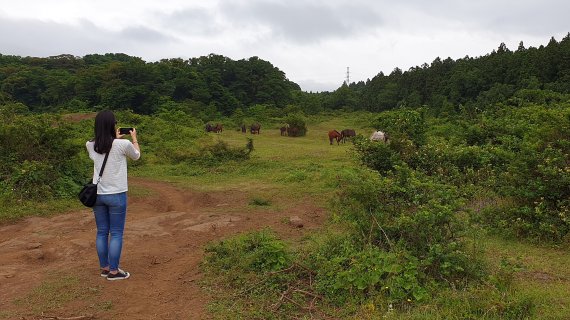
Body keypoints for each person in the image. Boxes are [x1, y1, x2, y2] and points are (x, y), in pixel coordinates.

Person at [86, 110, 140, 281]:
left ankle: (105, 268)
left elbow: (102, 150)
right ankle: (115, 272)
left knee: (102, 232)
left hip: (98, 195)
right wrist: (134, 139)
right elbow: (136, 156)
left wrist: (115, 139)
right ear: (112, 125)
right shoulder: (121, 145)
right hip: (116, 194)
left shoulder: (89, 144)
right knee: (116, 233)